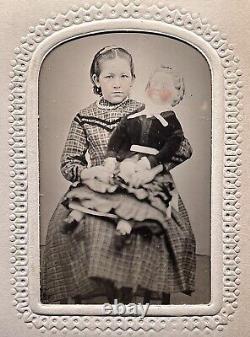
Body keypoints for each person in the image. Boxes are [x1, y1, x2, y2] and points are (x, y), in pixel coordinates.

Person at [41, 46, 195, 305]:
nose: (117, 84)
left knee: (169, 230)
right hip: (98, 183)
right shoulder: (84, 117)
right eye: (109, 77)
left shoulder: (148, 110)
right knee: (63, 230)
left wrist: (151, 168)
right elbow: (69, 163)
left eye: (124, 77)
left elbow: (183, 148)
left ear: (134, 79)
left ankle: (139, 293)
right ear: (96, 80)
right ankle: (87, 300)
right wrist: (90, 171)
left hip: (142, 183)